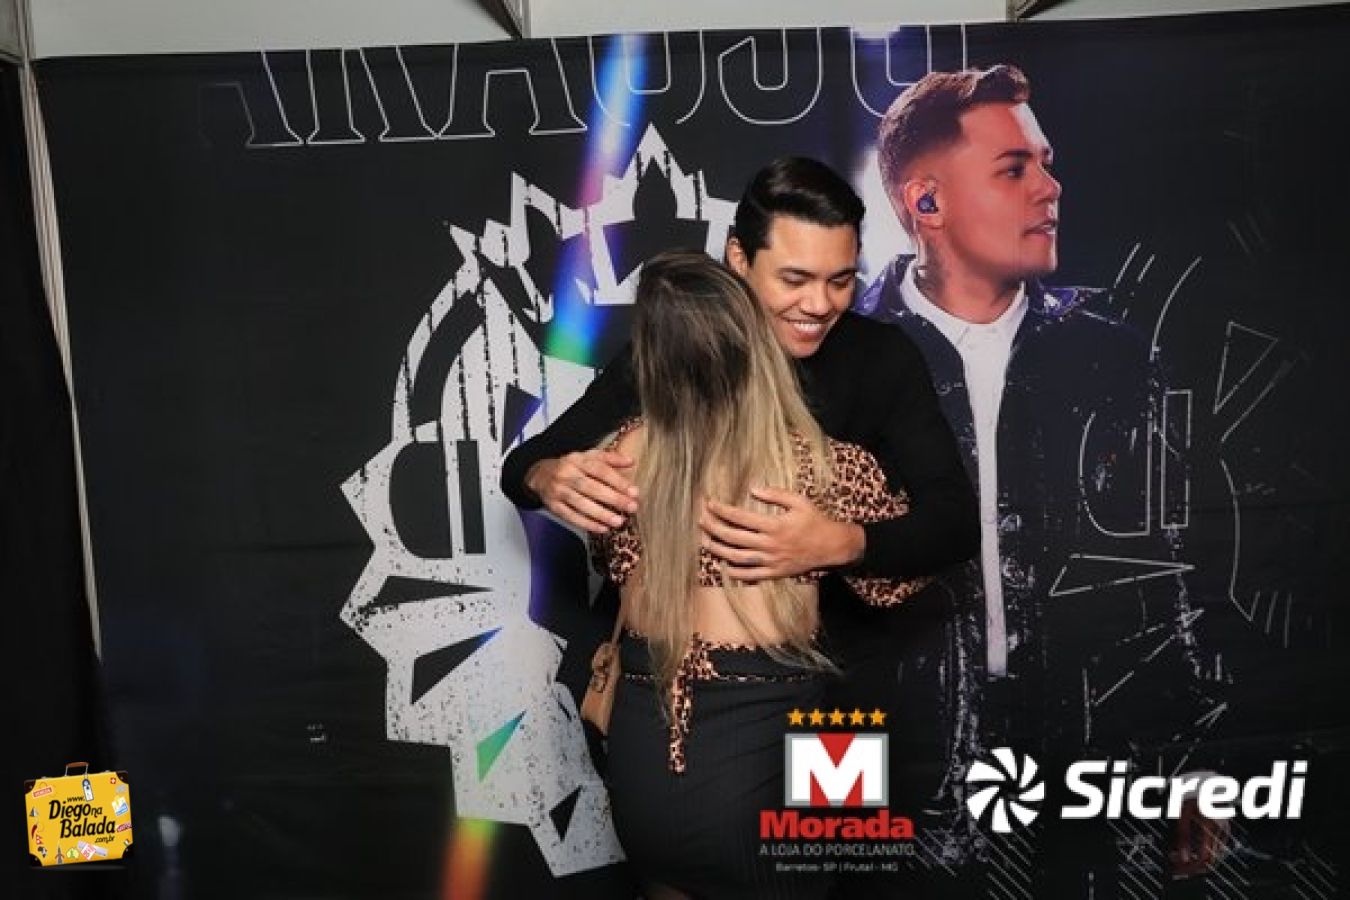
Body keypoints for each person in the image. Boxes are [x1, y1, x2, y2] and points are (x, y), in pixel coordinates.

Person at [856, 64, 1225, 895]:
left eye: (1046, 164)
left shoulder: (1112, 356)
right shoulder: (844, 355)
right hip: (896, 753)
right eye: (1014, 168)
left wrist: (1193, 762)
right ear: (925, 202)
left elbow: (1165, 568)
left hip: (1085, 754)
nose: (1050, 188)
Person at [500, 156, 979, 702]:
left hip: (835, 694)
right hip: (667, 693)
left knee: (835, 763)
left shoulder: (882, 358)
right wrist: (548, 477)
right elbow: (524, 467)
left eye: (840, 281)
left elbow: (955, 523)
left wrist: (841, 542)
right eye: (795, 279)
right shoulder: (677, 354)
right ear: (738, 257)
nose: (819, 304)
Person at [594, 251, 928, 899]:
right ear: (754, 343)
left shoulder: (617, 460)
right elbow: (899, 581)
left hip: (644, 765)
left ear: (652, 359)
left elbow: (613, 561)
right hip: (775, 749)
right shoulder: (821, 464)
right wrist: (839, 545)